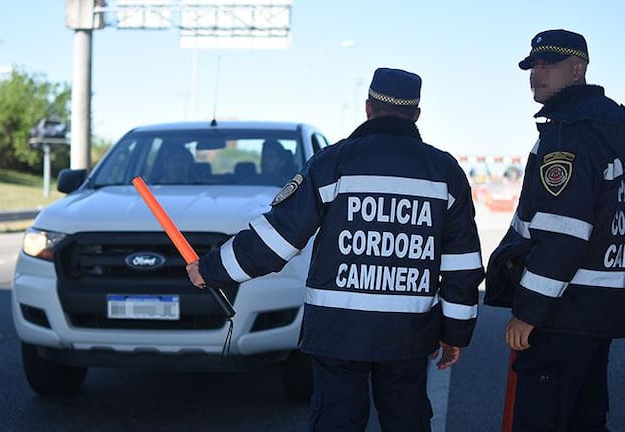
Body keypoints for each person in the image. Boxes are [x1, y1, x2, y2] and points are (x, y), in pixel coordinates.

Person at [187, 68, 484, 431]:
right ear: (416, 115)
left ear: (368, 108)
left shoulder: (332, 163)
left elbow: (278, 238)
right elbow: (462, 264)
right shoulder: (444, 171)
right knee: (407, 420)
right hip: (407, 332)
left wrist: (212, 268)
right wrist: (455, 332)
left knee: (337, 421)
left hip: (337, 330)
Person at [486, 29, 625, 431]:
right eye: (533, 66)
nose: (536, 74)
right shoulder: (615, 124)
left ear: (578, 69)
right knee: (585, 418)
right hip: (603, 308)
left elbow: (563, 234)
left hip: (564, 311)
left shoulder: (569, 132)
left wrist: (528, 313)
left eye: (548, 65)